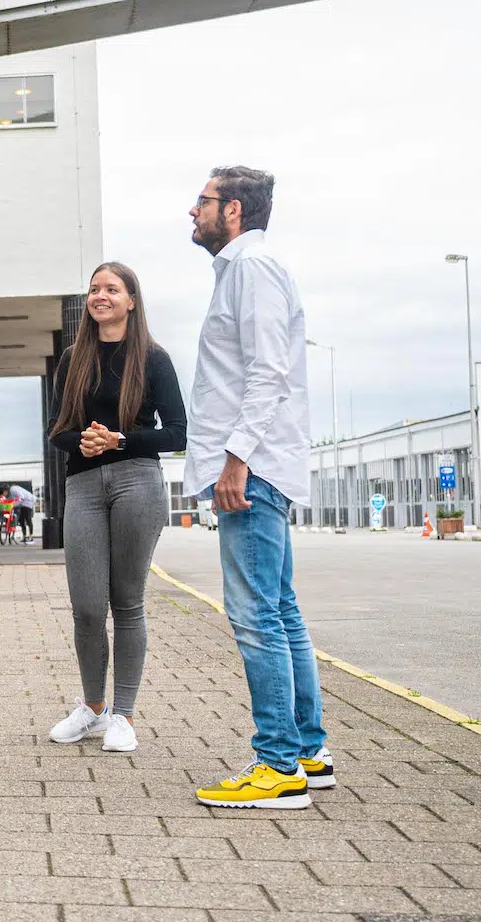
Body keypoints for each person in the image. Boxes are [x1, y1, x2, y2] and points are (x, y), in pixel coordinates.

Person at [184, 167, 333, 808]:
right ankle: (306, 752)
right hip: (263, 465)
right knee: (281, 611)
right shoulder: (243, 271)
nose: (192, 211)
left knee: (255, 618)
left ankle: (277, 767)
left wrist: (236, 460)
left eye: (203, 201)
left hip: (255, 469)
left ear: (234, 210)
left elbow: (268, 371)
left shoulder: (253, 270)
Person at [44, 262, 187, 754]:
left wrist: (121, 439)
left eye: (112, 289)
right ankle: (93, 708)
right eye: (94, 289)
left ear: (131, 300)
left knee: (127, 603)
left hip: (137, 483)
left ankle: (123, 715)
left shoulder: (153, 357)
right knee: (86, 607)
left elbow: (177, 433)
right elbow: (57, 428)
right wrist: (81, 442)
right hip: (83, 484)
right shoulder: (72, 358)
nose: (100, 296)